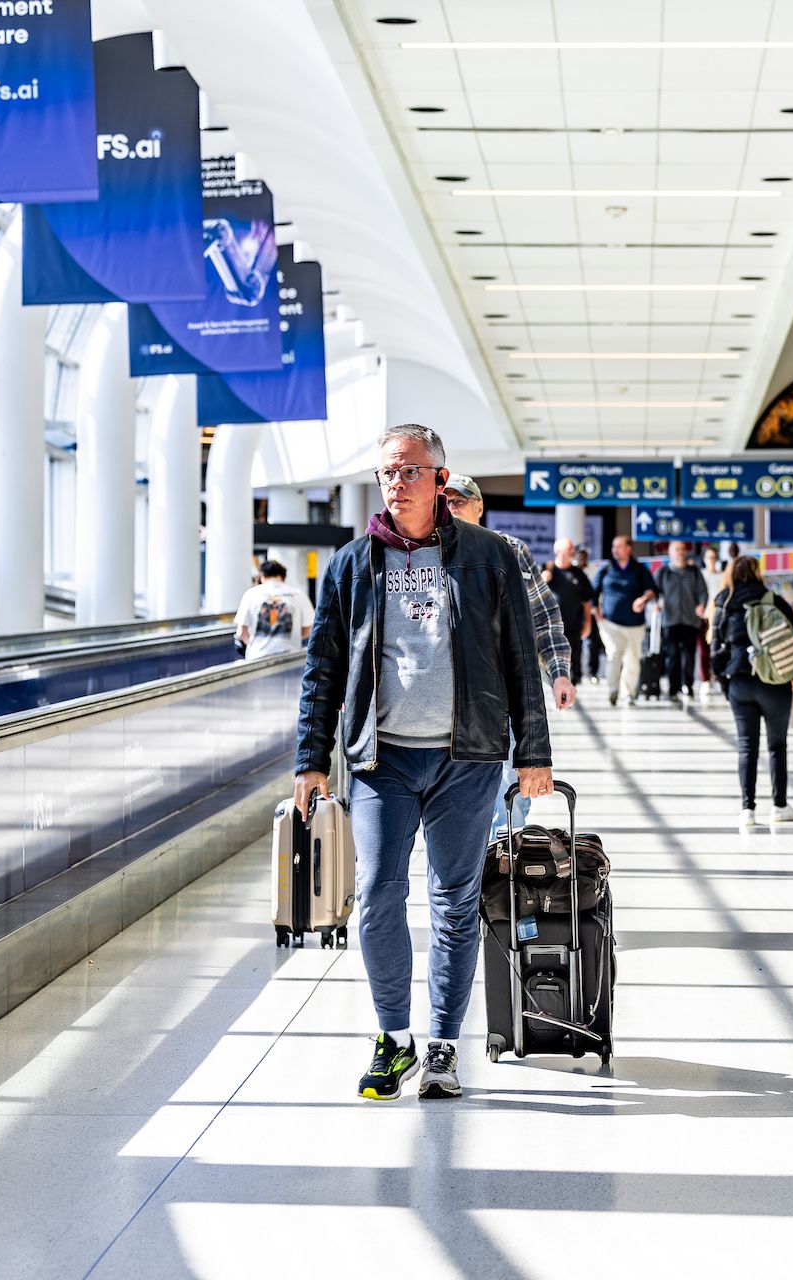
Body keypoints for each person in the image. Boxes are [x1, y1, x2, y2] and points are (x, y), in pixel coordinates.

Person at [294, 423, 552, 1103]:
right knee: (377, 896)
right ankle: (393, 1039)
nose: (397, 483)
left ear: (440, 479)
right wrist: (309, 759)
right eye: (387, 472)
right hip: (382, 761)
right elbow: (322, 667)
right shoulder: (354, 564)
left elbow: (522, 658)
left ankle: (441, 1044)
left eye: (411, 471)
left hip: (467, 757)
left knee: (454, 903)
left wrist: (533, 753)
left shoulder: (490, 556)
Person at [441, 474, 577, 841]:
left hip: (502, 692)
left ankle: (502, 865)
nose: (452, 508)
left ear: (479, 506)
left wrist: (559, 673)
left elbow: (543, 616)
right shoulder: (429, 552)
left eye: (460, 501)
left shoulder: (509, 550)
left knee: (508, 787)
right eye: (447, 501)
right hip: (445, 698)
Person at [710, 554, 793, 829]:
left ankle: (747, 809)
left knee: (746, 746)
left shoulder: (724, 602)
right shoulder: (773, 600)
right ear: (757, 572)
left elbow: (715, 649)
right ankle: (779, 806)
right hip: (775, 683)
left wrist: (725, 684)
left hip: (740, 683)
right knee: (777, 745)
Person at [593, 536, 658, 706]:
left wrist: (643, 600)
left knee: (632, 660)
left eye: (619, 547)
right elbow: (594, 592)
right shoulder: (606, 568)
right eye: (614, 547)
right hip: (610, 624)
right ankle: (613, 690)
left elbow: (651, 590)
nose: (615, 550)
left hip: (635, 625)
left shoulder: (640, 569)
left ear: (629, 548)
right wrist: (596, 613)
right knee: (614, 653)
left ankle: (628, 693)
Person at [655, 540, 709, 707]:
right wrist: (656, 603)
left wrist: (701, 605)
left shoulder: (694, 572)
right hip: (670, 621)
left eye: (682, 549)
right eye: (676, 549)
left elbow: (702, 592)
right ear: (670, 553)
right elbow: (654, 592)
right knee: (672, 655)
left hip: (690, 620)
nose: (680, 552)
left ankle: (688, 686)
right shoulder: (663, 572)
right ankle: (673, 689)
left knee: (689, 655)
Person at [234, 558, 313, 659]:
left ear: (262, 575)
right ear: (284, 576)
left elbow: (241, 633)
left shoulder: (251, 594)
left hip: (257, 658)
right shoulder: (299, 595)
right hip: (290, 658)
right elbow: (308, 630)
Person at [544, 537, 596, 683]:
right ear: (559, 551)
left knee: (574, 662)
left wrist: (588, 624)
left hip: (574, 626)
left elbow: (587, 601)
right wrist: (543, 579)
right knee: (552, 663)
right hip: (551, 627)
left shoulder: (579, 574)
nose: (574, 551)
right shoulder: (547, 569)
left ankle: (570, 692)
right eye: (570, 548)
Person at [697, 545, 726, 702]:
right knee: (704, 650)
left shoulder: (722, 576)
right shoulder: (700, 575)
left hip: (718, 618)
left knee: (717, 650)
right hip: (704, 617)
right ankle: (705, 680)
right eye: (709, 558)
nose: (712, 561)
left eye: (714, 558)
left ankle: (717, 676)